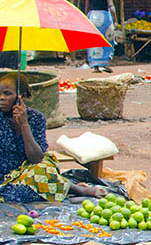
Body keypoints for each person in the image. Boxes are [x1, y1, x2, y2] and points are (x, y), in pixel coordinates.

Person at [0, 74, 105, 204]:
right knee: (12, 196)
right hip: (3, 175)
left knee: (41, 172)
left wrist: (24, 124)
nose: (1, 98)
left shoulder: (36, 118)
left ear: (20, 96)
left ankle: (77, 189)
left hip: (30, 171)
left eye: (7, 93)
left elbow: (36, 158)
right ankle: (64, 188)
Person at [83, 0, 117, 73]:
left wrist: (85, 19)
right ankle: (105, 63)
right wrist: (115, 20)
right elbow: (110, 6)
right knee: (107, 39)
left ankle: (95, 66)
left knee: (93, 40)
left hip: (92, 16)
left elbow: (87, 7)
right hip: (104, 17)